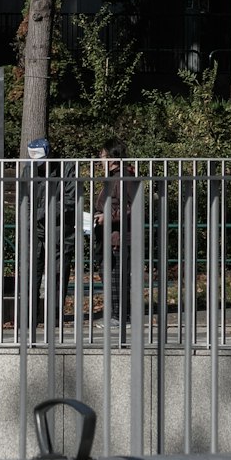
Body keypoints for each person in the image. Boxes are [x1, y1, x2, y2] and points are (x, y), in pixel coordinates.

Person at [93, 138, 138, 330]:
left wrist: (107, 217)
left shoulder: (123, 177)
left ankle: (121, 316)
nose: (99, 159)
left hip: (119, 237)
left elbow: (130, 207)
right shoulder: (113, 178)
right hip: (110, 236)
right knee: (110, 274)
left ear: (112, 157)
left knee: (117, 276)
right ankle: (116, 314)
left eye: (102, 155)